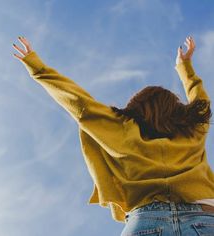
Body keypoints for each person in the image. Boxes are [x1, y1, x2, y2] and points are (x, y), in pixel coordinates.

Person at [12, 36, 214, 235]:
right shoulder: (191, 128)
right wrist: (185, 67)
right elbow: (200, 102)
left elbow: (80, 104)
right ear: (175, 109)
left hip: (144, 221)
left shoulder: (120, 128)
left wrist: (37, 67)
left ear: (136, 107)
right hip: (205, 220)